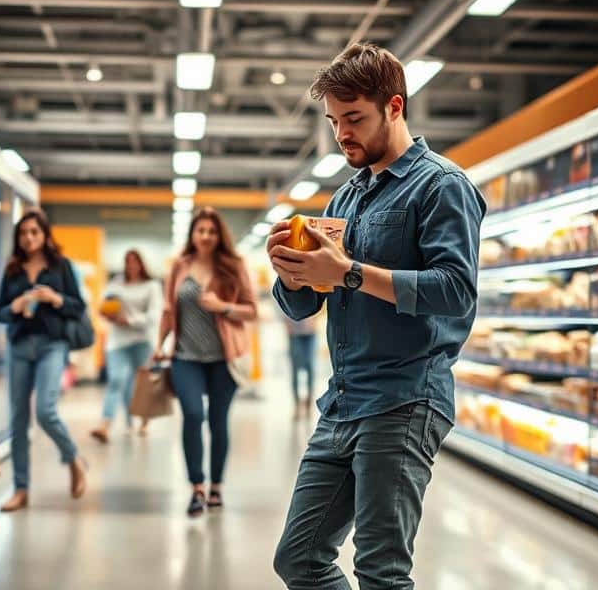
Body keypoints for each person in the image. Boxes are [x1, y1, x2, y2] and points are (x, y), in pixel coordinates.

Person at [268, 43, 486, 589]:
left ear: (393, 106)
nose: (342, 133)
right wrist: (290, 273)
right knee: (299, 559)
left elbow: (456, 290)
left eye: (354, 119)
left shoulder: (441, 186)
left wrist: (347, 271)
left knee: (382, 571)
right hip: (343, 401)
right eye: (334, 121)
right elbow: (309, 301)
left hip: (406, 398)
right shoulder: (346, 199)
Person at [155, 207, 258, 517]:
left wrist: (222, 306)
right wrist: (159, 346)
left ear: (219, 235)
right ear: (192, 234)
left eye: (211, 231)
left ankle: (217, 487)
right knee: (192, 413)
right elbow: (167, 310)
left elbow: (252, 310)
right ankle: (196, 486)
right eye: (200, 231)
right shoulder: (180, 266)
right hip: (186, 357)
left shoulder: (233, 266)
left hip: (222, 359)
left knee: (217, 422)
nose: (206, 237)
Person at [0, 210, 88, 512]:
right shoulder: (12, 270)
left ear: (45, 235)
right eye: (23, 233)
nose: (29, 238)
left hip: (52, 345)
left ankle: (73, 457)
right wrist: (16, 305)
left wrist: (55, 299)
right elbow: (0, 312)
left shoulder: (61, 267)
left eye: (34, 232)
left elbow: (78, 307)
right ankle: (21, 489)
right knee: (18, 420)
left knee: (46, 411)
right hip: (19, 346)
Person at [90, 249, 162, 443]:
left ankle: (143, 419)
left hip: (142, 341)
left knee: (141, 385)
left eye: (135, 261)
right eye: (127, 261)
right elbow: (102, 306)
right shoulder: (116, 285)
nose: (131, 265)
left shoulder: (151, 286)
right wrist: (108, 314)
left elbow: (154, 317)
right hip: (118, 342)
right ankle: (106, 424)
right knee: (117, 379)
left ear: (141, 263)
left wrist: (129, 320)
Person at [285, 311, 319, 420]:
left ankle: (309, 403)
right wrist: (287, 324)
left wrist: (315, 320)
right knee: (295, 369)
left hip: (311, 332)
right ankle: (297, 405)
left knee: (310, 367)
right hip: (294, 332)